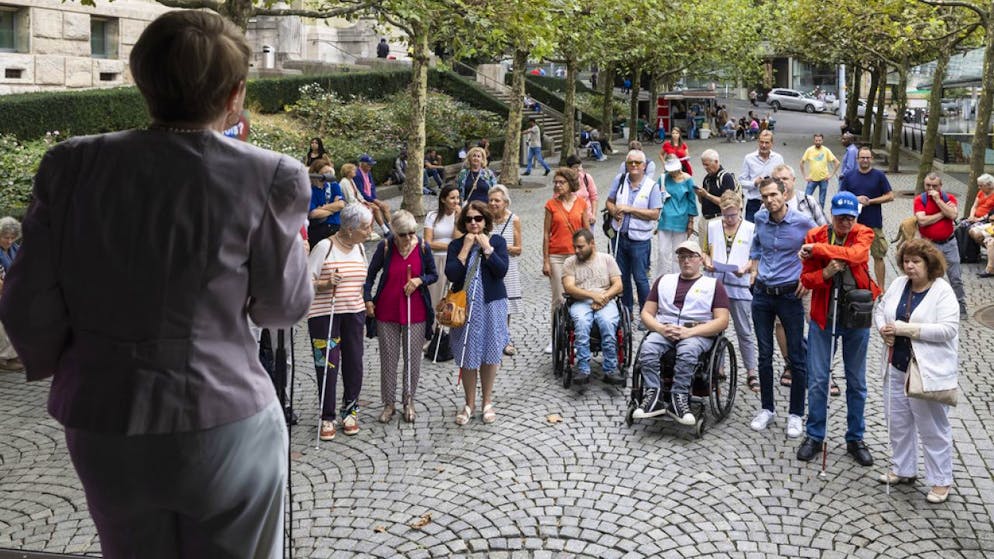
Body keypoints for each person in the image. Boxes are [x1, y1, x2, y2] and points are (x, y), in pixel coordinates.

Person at [0, 12, 313, 557]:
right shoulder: (270, 175)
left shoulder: (71, 164)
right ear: (237, 94)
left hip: (103, 413)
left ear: (140, 76)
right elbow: (281, 309)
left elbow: (26, 302)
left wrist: (74, 361)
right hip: (225, 413)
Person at [796, 191, 881, 466]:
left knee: (856, 382)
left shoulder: (864, 232)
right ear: (831, 214)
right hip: (824, 317)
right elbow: (806, 280)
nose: (846, 222)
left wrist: (820, 251)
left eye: (850, 217)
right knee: (819, 379)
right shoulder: (814, 234)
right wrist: (825, 273)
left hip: (857, 318)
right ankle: (814, 435)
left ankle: (855, 438)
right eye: (841, 216)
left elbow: (857, 255)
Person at [874, 238, 959, 504]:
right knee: (897, 421)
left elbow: (947, 330)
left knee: (932, 427)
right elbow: (881, 310)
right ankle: (903, 468)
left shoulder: (942, 291)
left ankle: (941, 480)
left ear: (928, 263)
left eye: (916, 262)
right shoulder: (899, 285)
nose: (909, 267)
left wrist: (903, 329)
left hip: (926, 371)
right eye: (906, 262)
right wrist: (883, 329)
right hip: (896, 364)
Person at [746, 177, 816, 436]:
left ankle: (796, 413)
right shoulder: (761, 219)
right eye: (765, 196)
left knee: (795, 356)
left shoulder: (802, 221)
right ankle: (767, 408)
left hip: (789, 295)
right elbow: (755, 245)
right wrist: (753, 268)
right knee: (764, 355)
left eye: (774, 194)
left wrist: (808, 278)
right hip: (763, 294)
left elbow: (819, 247)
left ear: (785, 194)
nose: (769, 200)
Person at [634, 241, 730, 423]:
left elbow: (722, 320)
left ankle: (680, 397)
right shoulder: (663, 281)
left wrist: (689, 333)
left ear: (700, 259)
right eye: (682, 257)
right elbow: (646, 313)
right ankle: (653, 394)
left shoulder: (714, 285)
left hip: (697, 332)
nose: (686, 261)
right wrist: (660, 328)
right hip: (665, 329)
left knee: (688, 350)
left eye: (691, 257)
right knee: (648, 348)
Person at [364, 210, 437, 424]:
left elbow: (434, 274)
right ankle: (389, 404)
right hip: (387, 310)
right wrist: (368, 299)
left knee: (412, 359)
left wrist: (419, 280)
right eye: (403, 234)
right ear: (394, 232)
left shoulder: (423, 247)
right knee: (389, 359)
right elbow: (370, 276)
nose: (408, 238)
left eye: (412, 233)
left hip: (416, 311)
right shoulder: (385, 247)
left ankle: (409, 401)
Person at [308, 204, 373, 440]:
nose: (369, 232)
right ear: (349, 228)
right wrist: (325, 284)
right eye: (365, 227)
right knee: (328, 365)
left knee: (354, 362)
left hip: (353, 313)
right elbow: (304, 281)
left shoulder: (360, 249)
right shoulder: (324, 247)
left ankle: (351, 410)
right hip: (324, 315)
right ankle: (327, 416)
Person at [770, 163, 832, 393]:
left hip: (808, 275)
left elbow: (826, 237)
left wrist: (811, 274)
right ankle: (790, 365)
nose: (782, 182)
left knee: (815, 322)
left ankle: (820, 369)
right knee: (781, 324)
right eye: (778, 179)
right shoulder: (768, 207)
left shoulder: (808, 203)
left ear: (794, 180)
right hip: (780, 279)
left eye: (785, 178)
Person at [447, 201, 510, 425]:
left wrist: (488, 249)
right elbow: (452, 274)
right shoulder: (456, 245)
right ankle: (469, 403)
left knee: (490, 351)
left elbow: (501, 271)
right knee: (468, 354)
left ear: (486, 220)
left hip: (491, 305)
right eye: (469, 219)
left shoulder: (498, 241)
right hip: (465, 309)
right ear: (464, 222)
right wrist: (464, 249)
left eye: (478, 218)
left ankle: (487, 402)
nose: (474, 223)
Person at [703, 191, 758, 394]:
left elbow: (755, 256)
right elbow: (705, 251)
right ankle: (719, 366)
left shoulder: (751, 229)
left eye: (733, 215)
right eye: (726, 215)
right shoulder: (713, 226)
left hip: (739, 285)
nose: (729, 219)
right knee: (716, 329)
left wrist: (746, 268)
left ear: (740, 210)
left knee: (744, 330)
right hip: (716, 284)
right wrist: (708, 262)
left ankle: (751, 372)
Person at [605, 150, 662, 322]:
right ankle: (626, 312)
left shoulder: (652, 186)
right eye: (631, 163)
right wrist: (614, 211)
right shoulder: (620, 179)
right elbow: (609, 201)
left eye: (638, 163)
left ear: (644, 166)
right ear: (626, 165)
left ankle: (647, 315)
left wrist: (630, 210)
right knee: (622, 277)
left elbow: (655, 214)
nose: (634, 166)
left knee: (640, 278)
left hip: (640, 241)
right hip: (619, 237)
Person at [561, 229, 624, 385]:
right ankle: (583, 368)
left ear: (592, 244)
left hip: (605, 299)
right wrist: (592, 296)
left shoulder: (607, 259)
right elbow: (569, 287)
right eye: (575, 247)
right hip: (580, 301)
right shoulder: (570, 262)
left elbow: (618, 284)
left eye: (581, 247)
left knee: (608, 323)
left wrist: (604, 297)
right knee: (581, 324)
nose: (577, 250)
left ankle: (610, 368)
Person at [543, 167, 589, 353]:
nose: (557, 185)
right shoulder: (551, 205)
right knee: (558, 298)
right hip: (556, 255)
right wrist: (545, 260)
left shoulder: (581, 204)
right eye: (556, 182)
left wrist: (591, 255)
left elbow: (587, 232)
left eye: (561, 182)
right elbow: (546, 234)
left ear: (571, 184)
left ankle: (577, 335)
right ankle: (555, 337)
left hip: (577, 256)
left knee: (578, 296)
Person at [915, 173, 968, 319]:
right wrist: (942, 213)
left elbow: (953, 215)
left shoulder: (948, 198)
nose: (931, 189)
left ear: (941, 186)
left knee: (955, 276)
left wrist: (939, 202)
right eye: (928, 186)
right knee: (932, 276)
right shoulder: (920, 200)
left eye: (934, 186)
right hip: (930, 245)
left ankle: (960, 305)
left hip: (950, 243)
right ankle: (933, 307)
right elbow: (922, 221)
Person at [840, 146, 894, 287]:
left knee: (878, 256)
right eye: (862, 157)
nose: (865, 160)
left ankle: (881, 289)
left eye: (867, 157)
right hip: (852, 225)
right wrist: (855, 199)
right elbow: (840, 196)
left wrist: (871, 201)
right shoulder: (849, 176)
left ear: (872, 159)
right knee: (854, 258)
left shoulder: (879, 176)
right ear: (857, 159)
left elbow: (890, 196)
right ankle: (859, 285)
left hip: (874, 224)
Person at [488, 185, 523, 356]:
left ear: (505, 202)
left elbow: (518, 249)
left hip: (507, 266)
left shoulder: (514, 219)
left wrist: (500, 248)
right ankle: (490, 338)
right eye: (491, 200)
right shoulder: (484, 219)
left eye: (497, 200)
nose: (493, 203)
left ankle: (504, 339)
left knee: (506, 306)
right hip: (488, 266)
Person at [424, 185, 462, 327]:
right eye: (452, 198)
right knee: (436, 299)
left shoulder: (460, 216)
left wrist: (458, 219)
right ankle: (432, 334)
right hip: (436, 259)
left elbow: (458, 240)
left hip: (454, 260)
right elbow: (428, 242)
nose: (456, 201)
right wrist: (451, 247)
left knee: (454, 300)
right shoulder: (432, 216)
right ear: (443, 199)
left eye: (458, 198)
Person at [655, 154, 698, 278]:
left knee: (678, 253)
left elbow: (691, 201)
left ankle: (677, 279)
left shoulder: (688, 179)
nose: (672, 173)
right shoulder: (663, 178)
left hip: (681, 219)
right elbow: (656, 197)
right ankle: (660, 280)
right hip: (665, 219)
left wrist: (691, 222)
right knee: (662, 252)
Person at [738, 130, 785, 222]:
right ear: (758, 142)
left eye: (767, 142)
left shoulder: (778, 158)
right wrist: (754, 183)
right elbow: (741, 181)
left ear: (772, 143)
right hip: (754, 203)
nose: (764, 145)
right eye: (761, 142)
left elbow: (783, 180)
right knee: (751, 232)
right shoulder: (749, 158)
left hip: (773, 202)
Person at [695, 149, 738, 243]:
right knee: (703, 252)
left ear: (716, 161)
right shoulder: (707, 178)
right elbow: (703, 202)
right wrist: (699, 195)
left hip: (719, 218)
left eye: (707, 164)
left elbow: (728, 203)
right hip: (705, 219)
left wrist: (706, 195)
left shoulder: (726, 177)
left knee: (717, 251)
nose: (705, 167)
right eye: (703, 164)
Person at [307, 158, 345, 248]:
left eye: (329, 172)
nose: (328, 175)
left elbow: (341, 204)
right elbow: (313, 214)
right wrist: (333, 209)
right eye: (325, 173)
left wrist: (322, 208)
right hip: (319, 228)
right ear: (316, 174)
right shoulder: (310, 190)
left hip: (336, 226)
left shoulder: (333, 185)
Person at [0, 216, 22, 372]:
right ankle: (5, 356)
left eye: (12, 238)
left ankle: (16, 352)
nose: (8, 241)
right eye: (5, 237)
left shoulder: (16, 248)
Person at [353, 153, 393, 238]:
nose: (370, 167)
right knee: (376, 208)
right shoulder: (357, 174)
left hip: (370, 198)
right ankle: (385, 229)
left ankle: (391, 227)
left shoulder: (368, 172)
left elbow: (372, 187)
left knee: (385, 206)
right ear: (362, 164)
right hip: (363, 199)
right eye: (369, 165)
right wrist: (373, 200)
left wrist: (374, 198)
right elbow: (360, 192)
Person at [800, 133, 839, 209]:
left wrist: (831, 175)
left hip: (823, 179)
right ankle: (806, 213)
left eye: (819, 140)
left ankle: (820, 215)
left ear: (822, 141)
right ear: (814, 141)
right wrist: (805, 176)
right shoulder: (809, 150)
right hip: (812, 179)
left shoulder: (826, 150)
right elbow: (801, 163)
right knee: (807, 198)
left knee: (822, 200)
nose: (818, 142)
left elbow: (837, 162)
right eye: (816, 140)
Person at [566, 154, 599, 227]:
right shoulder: (564, 182)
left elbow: (594, 197)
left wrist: (593, 214)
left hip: (587, 218)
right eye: (575, 167)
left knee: (587, 238)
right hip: (570, 221)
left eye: (580, 166)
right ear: (569, 168)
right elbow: (557, 200)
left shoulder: (586, 178)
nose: (579, 169)